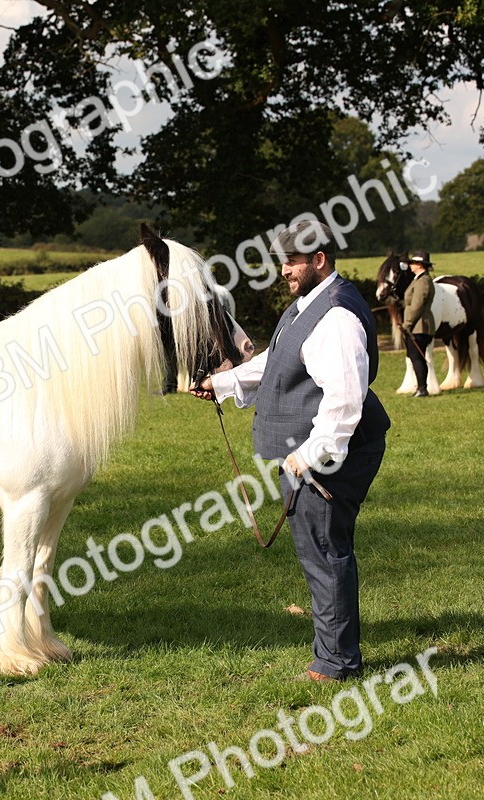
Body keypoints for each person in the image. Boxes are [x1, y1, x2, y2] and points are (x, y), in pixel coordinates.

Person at [191, 221, 390, 682]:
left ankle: (337, 663)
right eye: (282, 261)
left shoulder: (336, 315)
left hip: (332, 453)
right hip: (315, 450)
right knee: (319, 550)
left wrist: (312, 455)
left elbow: (344, 400)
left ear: (319, 259)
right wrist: (222, 382)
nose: (284, 270)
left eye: (293, 261)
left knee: (324, 551)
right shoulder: (306, 306)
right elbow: (275, 361)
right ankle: (335, 654)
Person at [402, 251, 436, 397]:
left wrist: (407, 324)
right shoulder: (418, 279)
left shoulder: (423, 281)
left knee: (417, 357)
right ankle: (421, 387)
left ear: (420, 265)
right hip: (416, 325)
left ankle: (422, 388)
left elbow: (417, 305)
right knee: (415, 356)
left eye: (413, 263)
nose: (410, 266)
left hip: (419, 325)